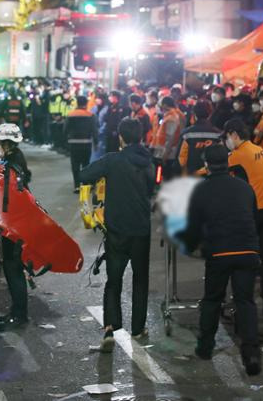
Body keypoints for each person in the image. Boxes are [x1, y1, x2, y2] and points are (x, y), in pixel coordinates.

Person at [178, 144, 261, 376]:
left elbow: (193, 226)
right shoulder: (245, 187)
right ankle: (251, 353)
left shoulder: (201, 190)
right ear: (228, 161)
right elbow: (254, 218)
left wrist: (189, 245)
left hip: (220, 253)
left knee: (212, 299)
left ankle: (205, 347)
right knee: (245, 301)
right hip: (247, 251)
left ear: (206, 165)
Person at [79, 117, 154, 351]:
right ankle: (139, 327)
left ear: (121, 136)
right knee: (141, 279)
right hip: (141, 228)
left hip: (117, 229)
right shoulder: (150, 163)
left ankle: (111, 327)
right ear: (140, 136)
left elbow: (85, 175)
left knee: (114, 280)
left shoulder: (113, 160)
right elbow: (151, 190)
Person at [224, 119, 263, 316]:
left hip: (255, 210)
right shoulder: (258, 149)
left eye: (227, 137)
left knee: (244, 256)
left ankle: (243, 302)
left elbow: (213, 169)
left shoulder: (238, 155)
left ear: (234, 134)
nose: (227, 141)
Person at [0, 123, 32, 331]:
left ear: (7, 143)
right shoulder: (16, 160)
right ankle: (18, 311)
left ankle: (19, 314)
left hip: (14, 225)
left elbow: (9, 198)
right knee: (13, 266)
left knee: (13, 267)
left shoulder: (12, 166)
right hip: (17, 223)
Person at [177, 100, 221, 175]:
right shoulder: (218, 134)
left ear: (194, 114)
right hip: (212, 175)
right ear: (210, 114)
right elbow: (221, 156)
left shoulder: (186, 134)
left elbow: (182, 159)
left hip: (192, 175)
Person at [64, 96, 97, 193]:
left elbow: (65, 129)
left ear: (77, 103)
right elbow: (94, 130)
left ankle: (77, 186)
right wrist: (96, 141)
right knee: (86, 164)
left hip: (73, 143)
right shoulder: (90, 115)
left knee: (75, 165)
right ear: (86, 104)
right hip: (86, 143)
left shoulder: (70, 115)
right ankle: (85, 185)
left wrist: (65, 141)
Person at [155, 97, 183, 180]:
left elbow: (170, 138)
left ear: (165, 105)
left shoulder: (172, 117)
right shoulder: (175, 114)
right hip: (171, 152)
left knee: (165, 176)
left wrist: (164, 155)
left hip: (168, 154)